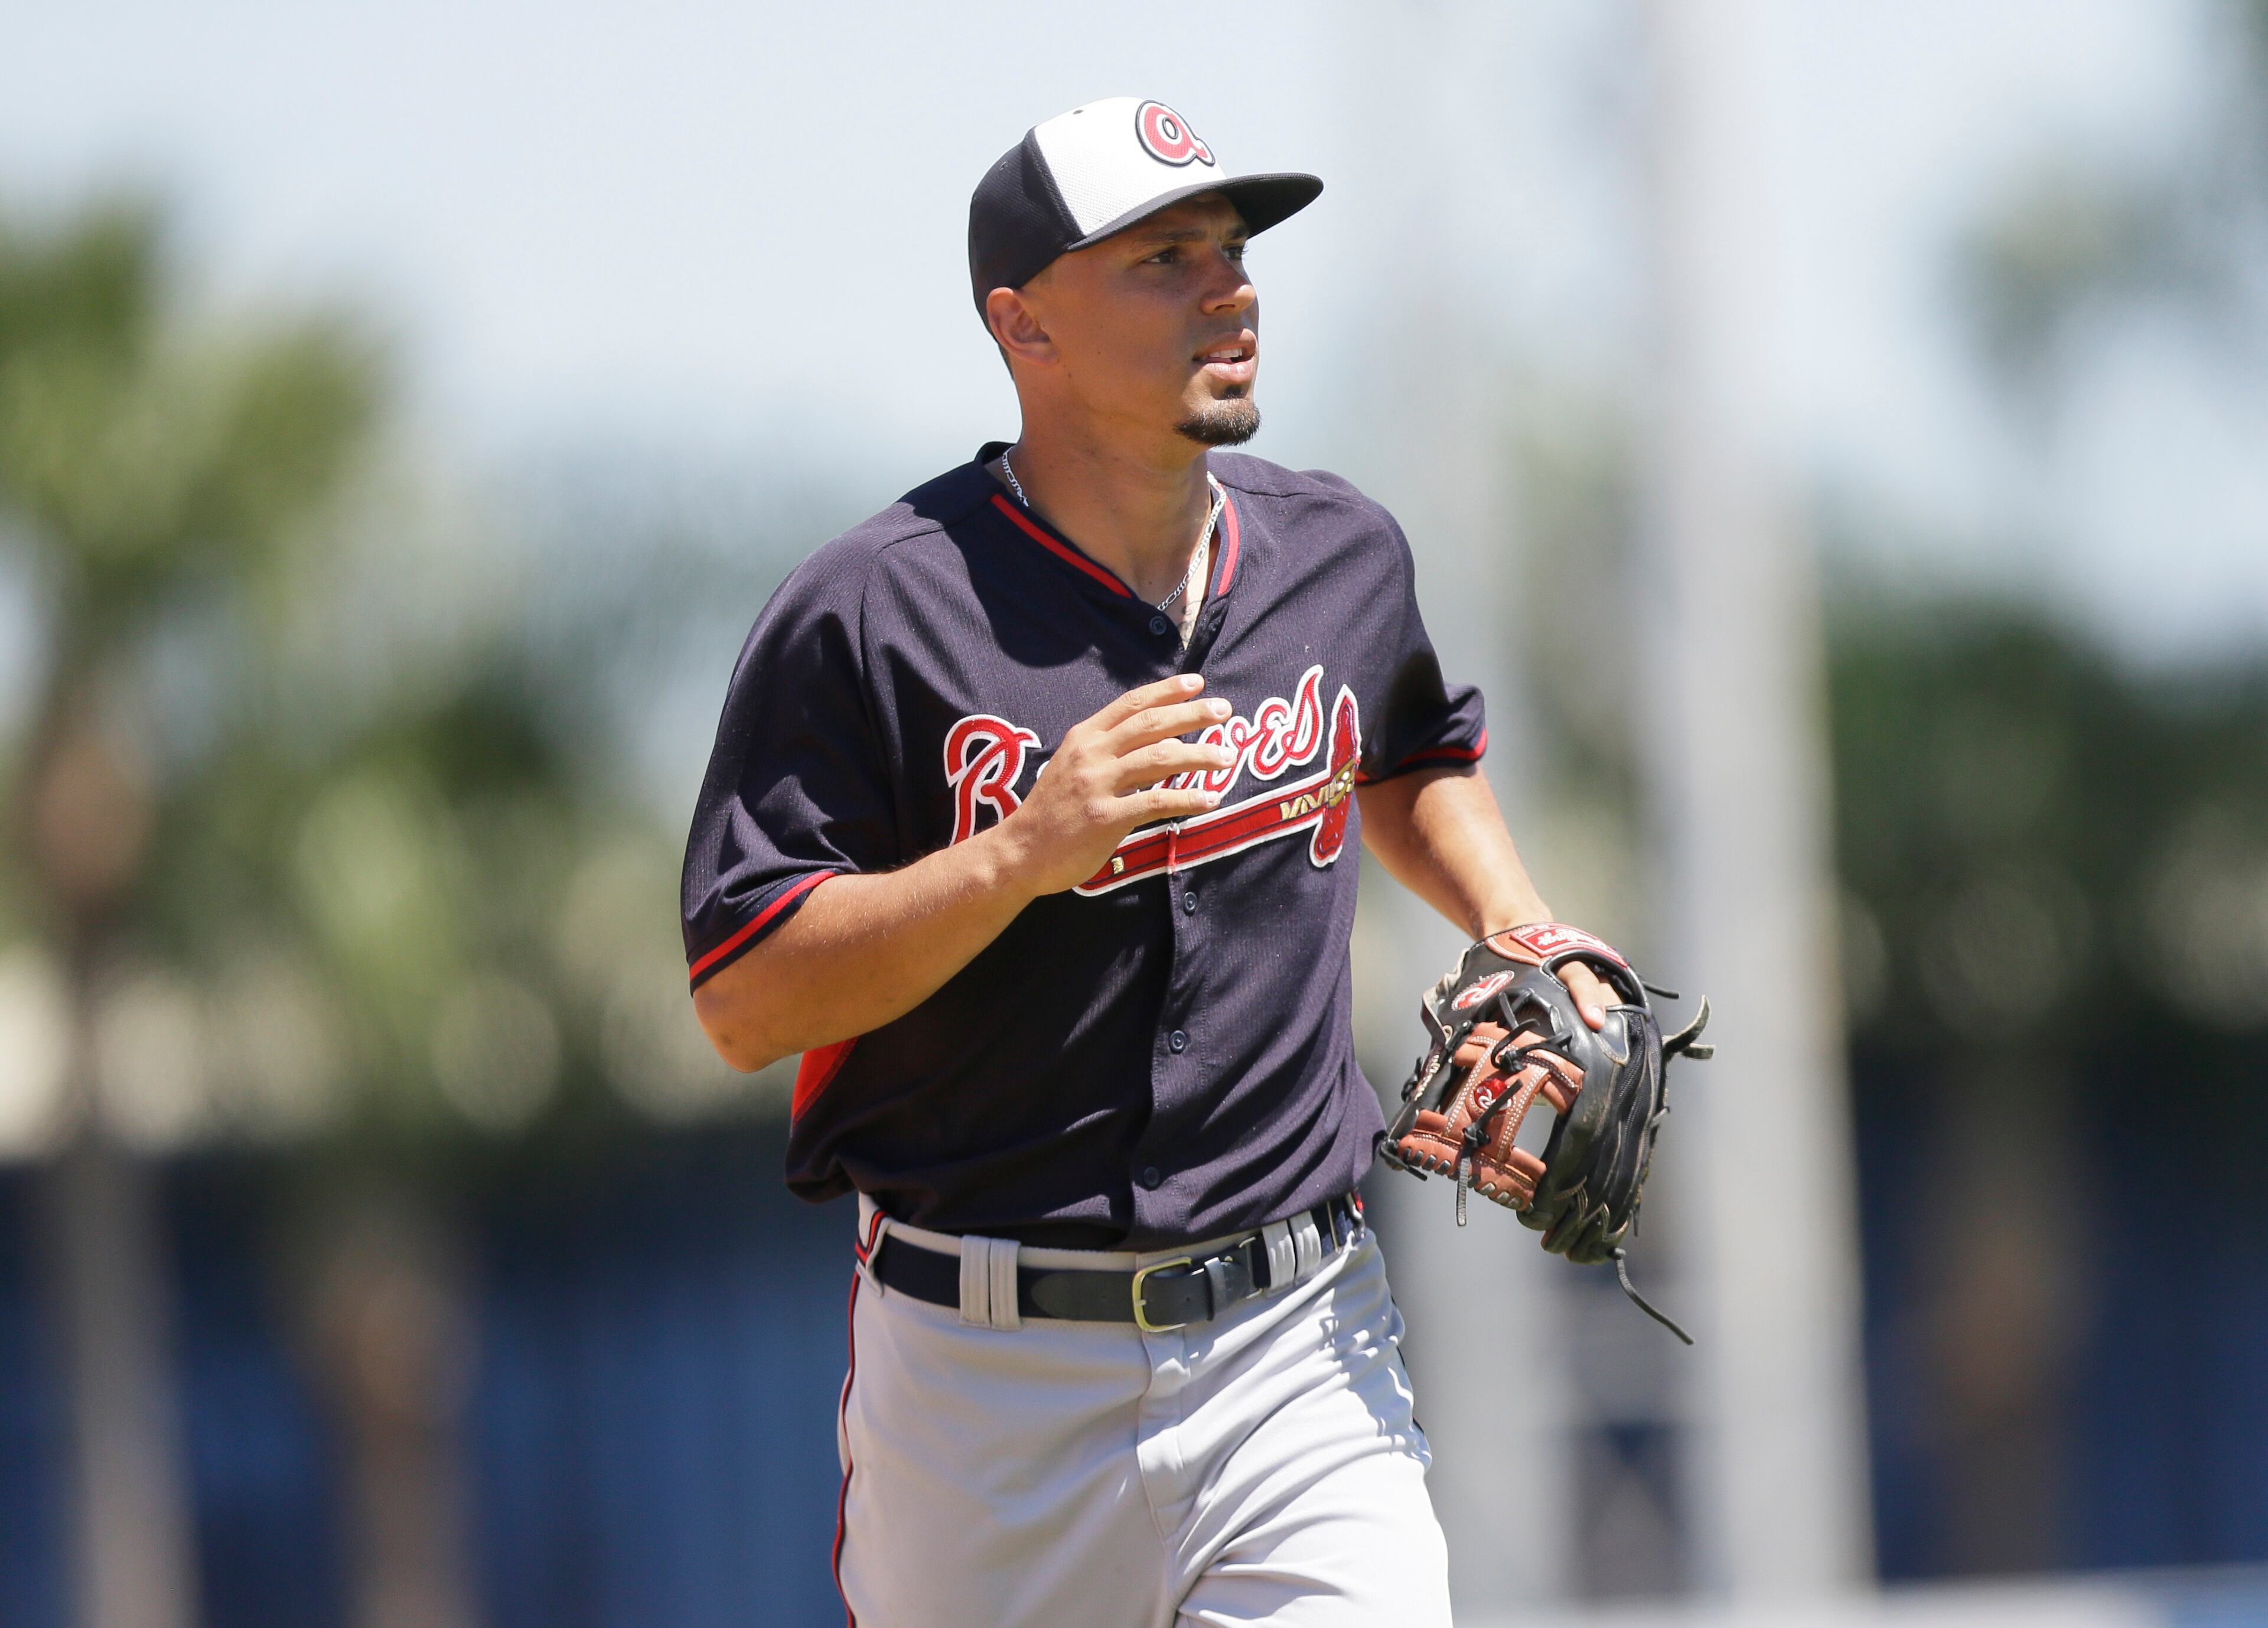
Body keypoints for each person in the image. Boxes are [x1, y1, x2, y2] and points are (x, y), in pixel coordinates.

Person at [682, 96, 1617, 1628]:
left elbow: (1412, 754)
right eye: (1165, 258)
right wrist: (1017, 859)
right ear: (1022, 321)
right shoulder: (869, 613)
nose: (1229, 290)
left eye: (1234, 253)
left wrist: (1516, 918)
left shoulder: (1338, 554)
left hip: (1301, 1346)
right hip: (988, 1386)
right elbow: (741, 998)